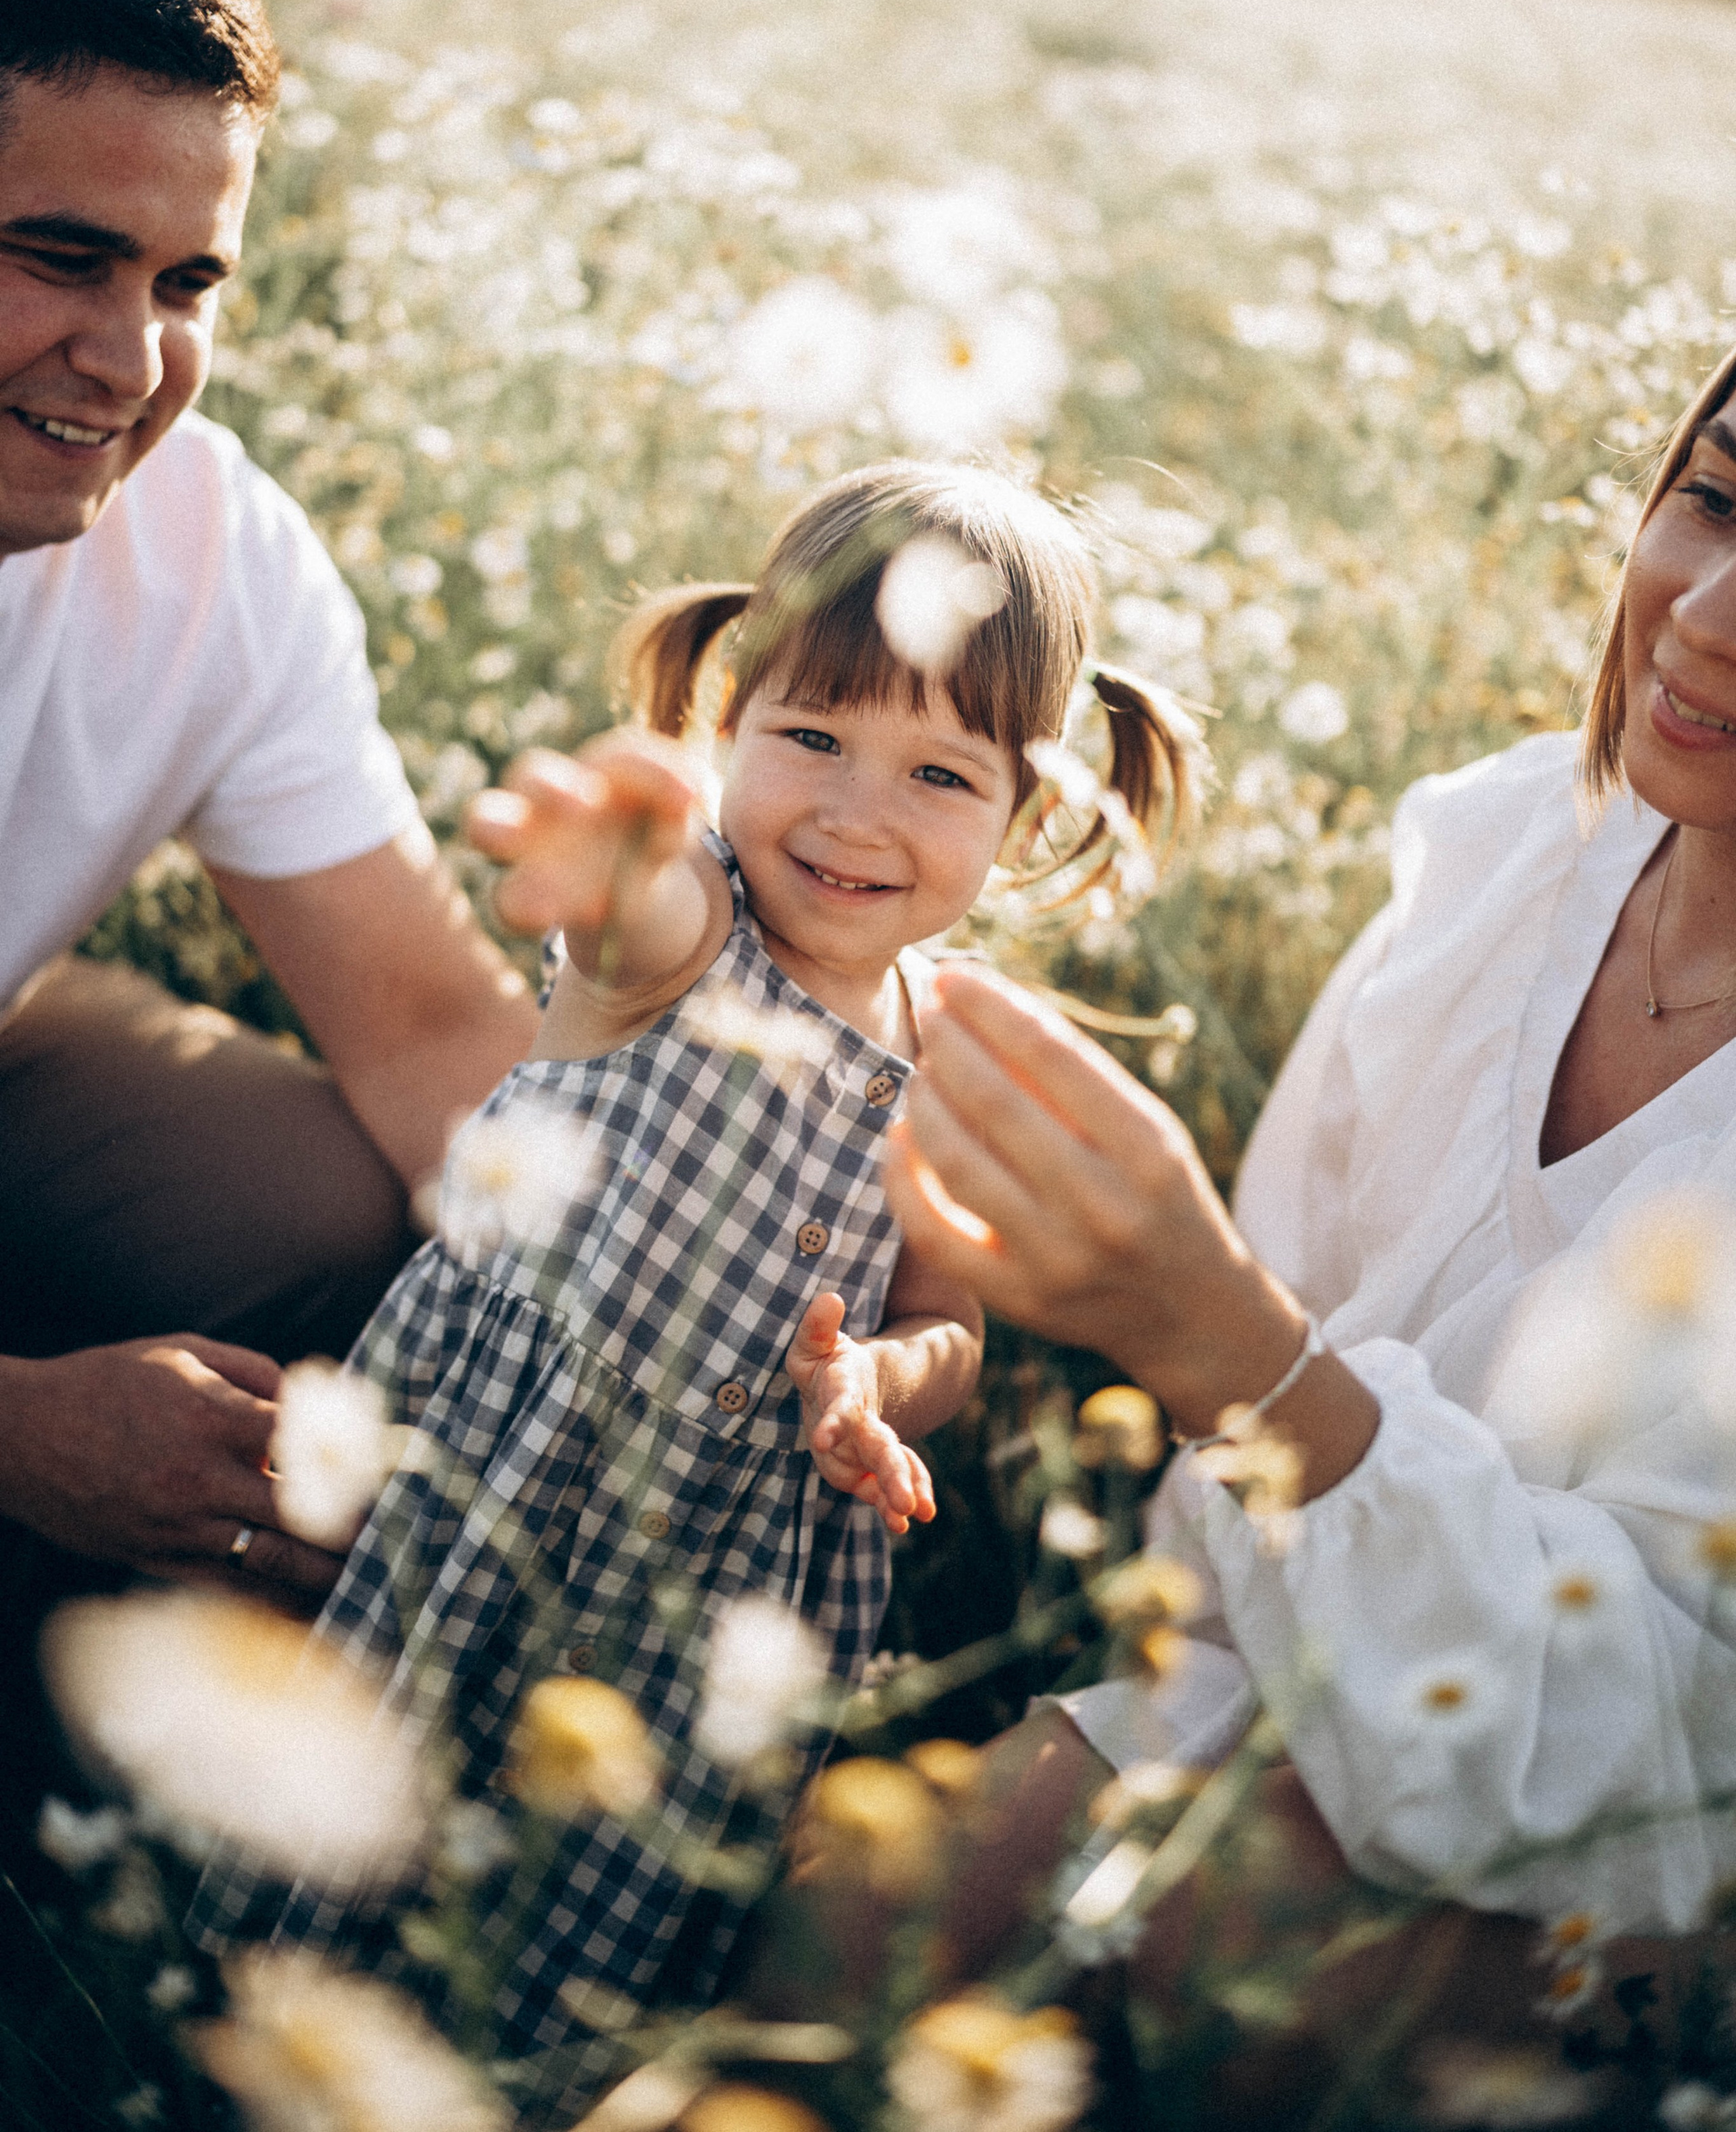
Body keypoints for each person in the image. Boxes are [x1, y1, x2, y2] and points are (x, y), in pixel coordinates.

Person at [197, 461, 1204, 2112]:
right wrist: (604, 856)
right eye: (809, 738)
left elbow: (951, 1317)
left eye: (937, 772)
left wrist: (882, 1387)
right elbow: (630, 919)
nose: (854, 814)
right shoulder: (694, 937)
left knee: (590, 1885)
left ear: (1021, 821)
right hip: (520, 1467)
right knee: (385, 1802)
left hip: (734, 1554)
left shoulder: (947, 1044)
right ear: (730, 721)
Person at [882, 349, 1736, 2007]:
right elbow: (1214, 1550)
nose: (1702, 615)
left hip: (1635, 1863)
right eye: (1710, 499)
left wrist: (1224, 1346)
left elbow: (1659, 1761)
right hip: (1285, 1672)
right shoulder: (1496, 856)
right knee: (866, 1906)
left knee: (1225, 1963)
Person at [0, 0, 537, 1615]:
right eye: (64, 258)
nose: (132, 359)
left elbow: (434, 1025)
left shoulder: (210, 549)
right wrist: (23, 1434)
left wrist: (665, 1339)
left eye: (185, 284)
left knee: (340, 1200)